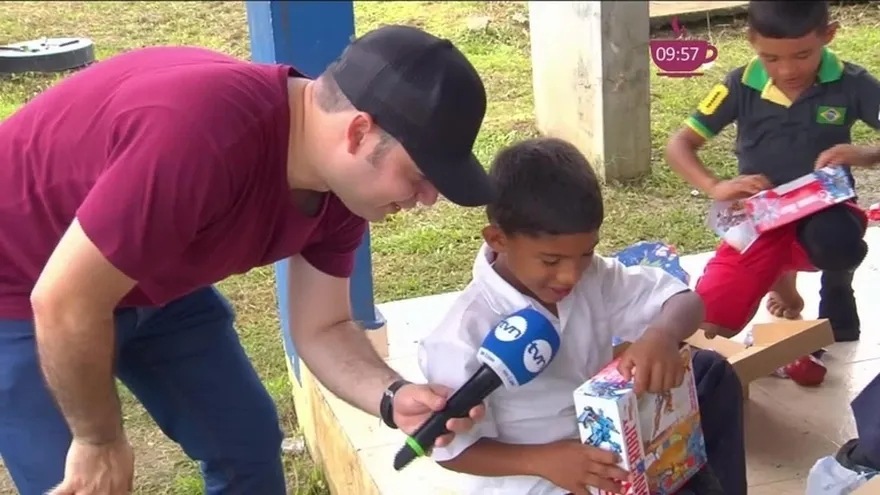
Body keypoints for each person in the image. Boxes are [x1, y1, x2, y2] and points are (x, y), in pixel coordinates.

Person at [0, 25, 490, 495]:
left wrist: (393, 397)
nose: (428, 198)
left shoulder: (340, 190)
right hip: (22, 283)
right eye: (421, 175)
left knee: (245, 441)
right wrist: (98, 440)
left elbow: (323, 328)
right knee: (76, 482)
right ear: (359, 132)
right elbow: (65, 301)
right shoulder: (201, 137)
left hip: (147, 272)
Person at [417, 138, 747, 495]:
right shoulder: (461, 336)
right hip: (541, 479)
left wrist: (662, 335)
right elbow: (451, 450)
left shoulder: (594, 277)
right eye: (551, 261)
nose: (570, 276)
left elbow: (684, 301)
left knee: (711, 374)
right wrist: (543, 461)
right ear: (498, 239)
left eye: (586, 254)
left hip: (613, 440)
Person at [666, 0, 878, 342]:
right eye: (772, 58)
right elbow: (679, 145)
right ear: (752, 40)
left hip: (826, 209)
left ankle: (837, 287)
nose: (787, 71)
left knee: (838, 242)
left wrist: (865, 154)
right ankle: (781, 281)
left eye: (803, 55)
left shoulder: (853, 82)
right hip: (760, 214)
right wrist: (715, 186)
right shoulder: (739, 84)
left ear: (829, 35)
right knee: (709, 324)